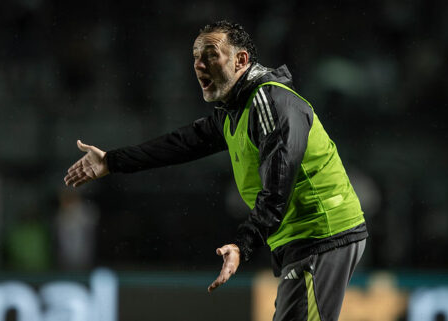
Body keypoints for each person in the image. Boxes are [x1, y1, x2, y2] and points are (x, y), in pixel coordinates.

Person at [64, 20, 368, 321]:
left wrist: (242, 244)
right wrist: (112, 161)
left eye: (211, 54)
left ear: (241, 60)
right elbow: (182, 143)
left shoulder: (271, 102)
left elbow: (278, 188)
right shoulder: (234, 109)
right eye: (196, 56)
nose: (199, 64)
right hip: (302, 237)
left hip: (323, 233)